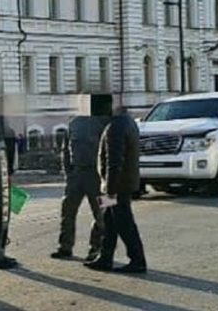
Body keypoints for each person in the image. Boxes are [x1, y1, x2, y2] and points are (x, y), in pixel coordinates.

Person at [85, 104, 147, 274]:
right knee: (109, 222)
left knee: (124, 223)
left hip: (116, 187)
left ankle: (137, 260)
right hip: (118, 185)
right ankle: (105, 258)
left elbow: (114, 162)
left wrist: (110, 191)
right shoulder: (126, 121)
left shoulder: (116, 127)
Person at [51, 113, 108, 261]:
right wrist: (68, 172)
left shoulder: (104, 121)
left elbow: (109, 150)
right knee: (67, 211)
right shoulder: (74, 122)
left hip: (98, 176)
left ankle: (97, 249)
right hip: (76, 174)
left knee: (104, 214)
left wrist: (106, 176)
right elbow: (65, 150)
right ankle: (65, 246)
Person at [0, 118, 20, 270]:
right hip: (2, 179)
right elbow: (10, 160)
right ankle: (0, 255)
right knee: (3, 219)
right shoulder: (7, 132)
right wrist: (10, 176)